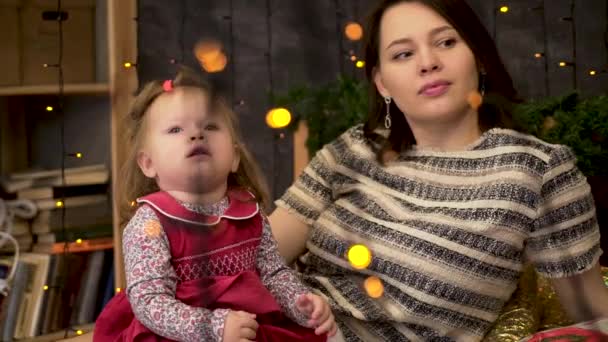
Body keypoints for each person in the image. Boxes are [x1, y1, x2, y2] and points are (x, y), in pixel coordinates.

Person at [268, 0, 608, 341]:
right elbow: (253, 253)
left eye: (446, 42)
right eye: (403, 54)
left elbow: (593, 313)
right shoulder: (355, 147)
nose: (429, 63)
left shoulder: (539, 170)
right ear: (382, 83)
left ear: (478, 56)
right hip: (272, 325)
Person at [93, 69, 337, 342]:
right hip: (178, 334)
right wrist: (213, 327)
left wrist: (301, 302)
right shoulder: (150, 223)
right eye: (175, 129)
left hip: (247, 326)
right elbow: (150, 302)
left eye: (209, 126)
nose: (196, 135)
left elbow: (273, 274)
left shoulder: (249, 212)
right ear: (148, 164)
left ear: (234, 156)